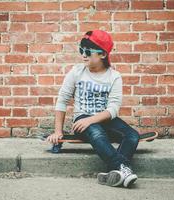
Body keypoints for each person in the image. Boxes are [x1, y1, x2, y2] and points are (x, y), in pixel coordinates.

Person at [46, 30, 140, 188]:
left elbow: (114, 109)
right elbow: (62, 100)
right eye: (81, 50)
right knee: (96, 132)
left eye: (88, 52)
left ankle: (116, 172)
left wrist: (91, 119)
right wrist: (58, 131)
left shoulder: (114, 76)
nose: (83, 55)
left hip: (103, 119)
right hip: (82, 121)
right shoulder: (77, 72)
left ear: (103, 54)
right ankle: (123, 169)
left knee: (132, 135)